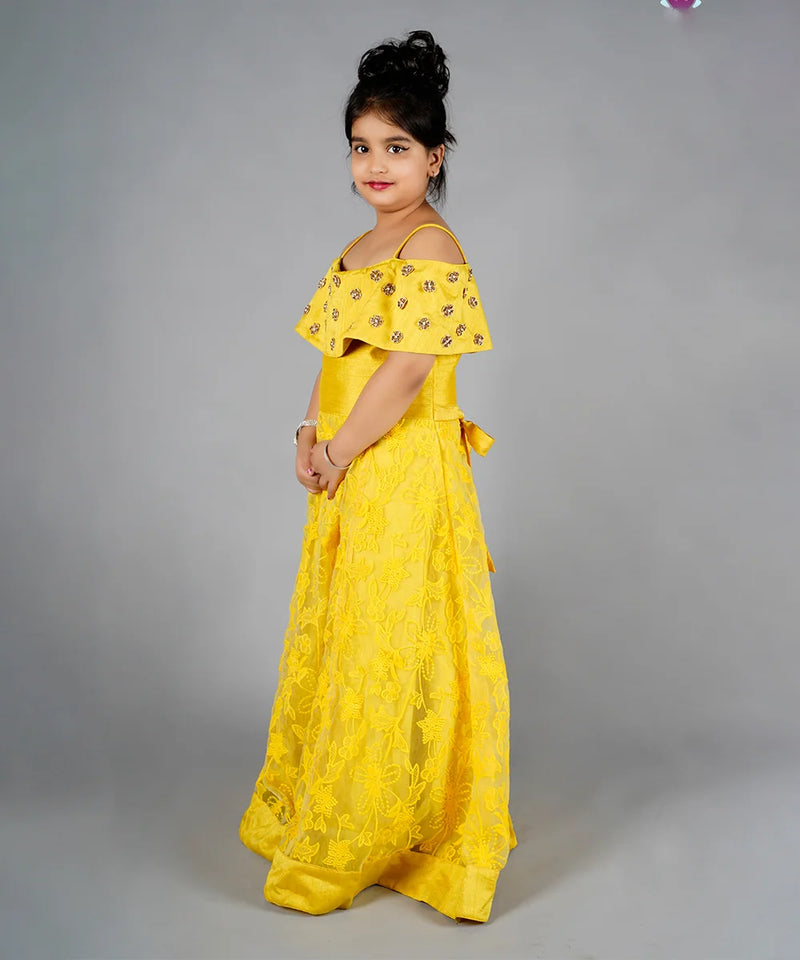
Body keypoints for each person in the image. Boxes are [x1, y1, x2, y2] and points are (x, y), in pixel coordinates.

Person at [238, 28, 516, 923]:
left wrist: (344, 448)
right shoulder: (358, 248)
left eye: (397, 147)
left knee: (393, 641)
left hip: (400, 469)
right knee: (351, 636)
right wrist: (306, 435)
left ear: (435, 157)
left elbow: (403, 370)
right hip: (350, 461)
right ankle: (345, 811)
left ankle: (384, 831)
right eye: (363, 147)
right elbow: (335, 359)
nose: (376, 163)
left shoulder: (431, 247)